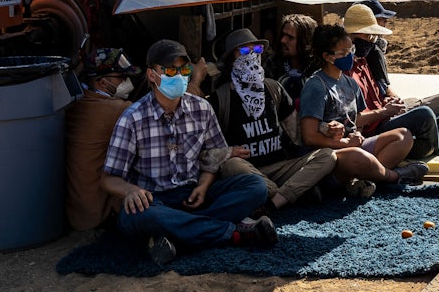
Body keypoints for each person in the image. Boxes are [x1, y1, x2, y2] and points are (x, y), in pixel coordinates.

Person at [100, 39, 277, 266]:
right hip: (154, 201)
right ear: (152, 75)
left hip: (195, 194)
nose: (180, 75)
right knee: (136, 216)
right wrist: (130, 191)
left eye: (184, 69)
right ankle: (232, 233)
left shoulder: (202, 108)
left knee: (255, 187)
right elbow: (108, 179)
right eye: (171, 70)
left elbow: (213, 155)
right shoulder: (132, 118)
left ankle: (174, 235)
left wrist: (203, 186)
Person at [209, 29, 337, 216]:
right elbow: (206, 152)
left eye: (258, 49)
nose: (253, 56)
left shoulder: (273, 87)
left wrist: (325, 128)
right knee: (232, 165)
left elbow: (296, 129)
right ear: (231, 59)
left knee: (327, 156)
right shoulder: (220, 99)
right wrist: (228, 152)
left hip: (280, 166)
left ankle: (273, 200)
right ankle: (289, 194)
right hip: (247, 172)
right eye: (245, 51)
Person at [299, 24, 429, 196]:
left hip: (354, 146)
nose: (350, 56)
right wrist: (343, 143)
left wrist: (358, 134)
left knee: (403, 136)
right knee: (356, 157)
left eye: (350, 50)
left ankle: (363, 180)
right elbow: (309, 136)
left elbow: (356, 119)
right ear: (328, 57)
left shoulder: (349, 82)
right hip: (331, 154)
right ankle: (395, 176)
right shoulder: (316, 86)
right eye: (343, 53)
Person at [343, 4, 439, 160]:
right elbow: (353, 119)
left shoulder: (362, 61)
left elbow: (378, 94)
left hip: (383, 120)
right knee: (425, 115)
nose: (372, 41)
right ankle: (435, 150)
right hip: (372, 130)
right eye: (368, 36)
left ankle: (430, 148)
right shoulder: (345, 70)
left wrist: (387, 101)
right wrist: (385, 111)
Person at [64, 47, 139, 231]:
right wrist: (195, 82)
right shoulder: (116, 110)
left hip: (76, 212)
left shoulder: (76, 102)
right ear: (104, 83)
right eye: (121, 78)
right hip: (101, 215)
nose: (127, 82)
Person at [264, 13, 318, 105]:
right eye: (283, 35)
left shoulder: (317, 67)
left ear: (306, 41)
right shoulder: (272, 65)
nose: (283, 40)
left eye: (290, 37)